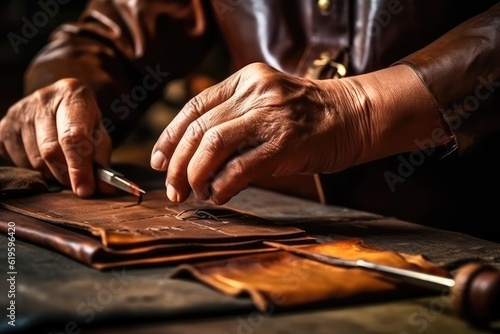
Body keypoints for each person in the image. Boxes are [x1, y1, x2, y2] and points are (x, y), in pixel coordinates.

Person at [1, 1, 499, 240]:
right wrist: (60, 91)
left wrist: (361, 107)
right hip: (265, 232)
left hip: (462, 233)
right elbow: (107, 36)